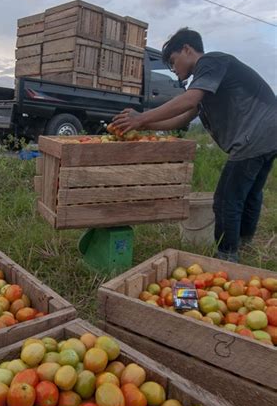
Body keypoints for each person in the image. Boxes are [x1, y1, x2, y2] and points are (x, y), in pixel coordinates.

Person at [113, 28, 277, 262]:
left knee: (226, 199)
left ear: (187, 50)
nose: (174, 71)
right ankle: (245, 245)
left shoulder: (211, 62)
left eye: (173, 62)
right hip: (269, 135)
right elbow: (184, 116)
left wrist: (141, 116)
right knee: (250, 193)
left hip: (255, 135)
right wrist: (143, 126)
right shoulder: (208, 82)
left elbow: (188, 99)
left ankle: (226, 257)